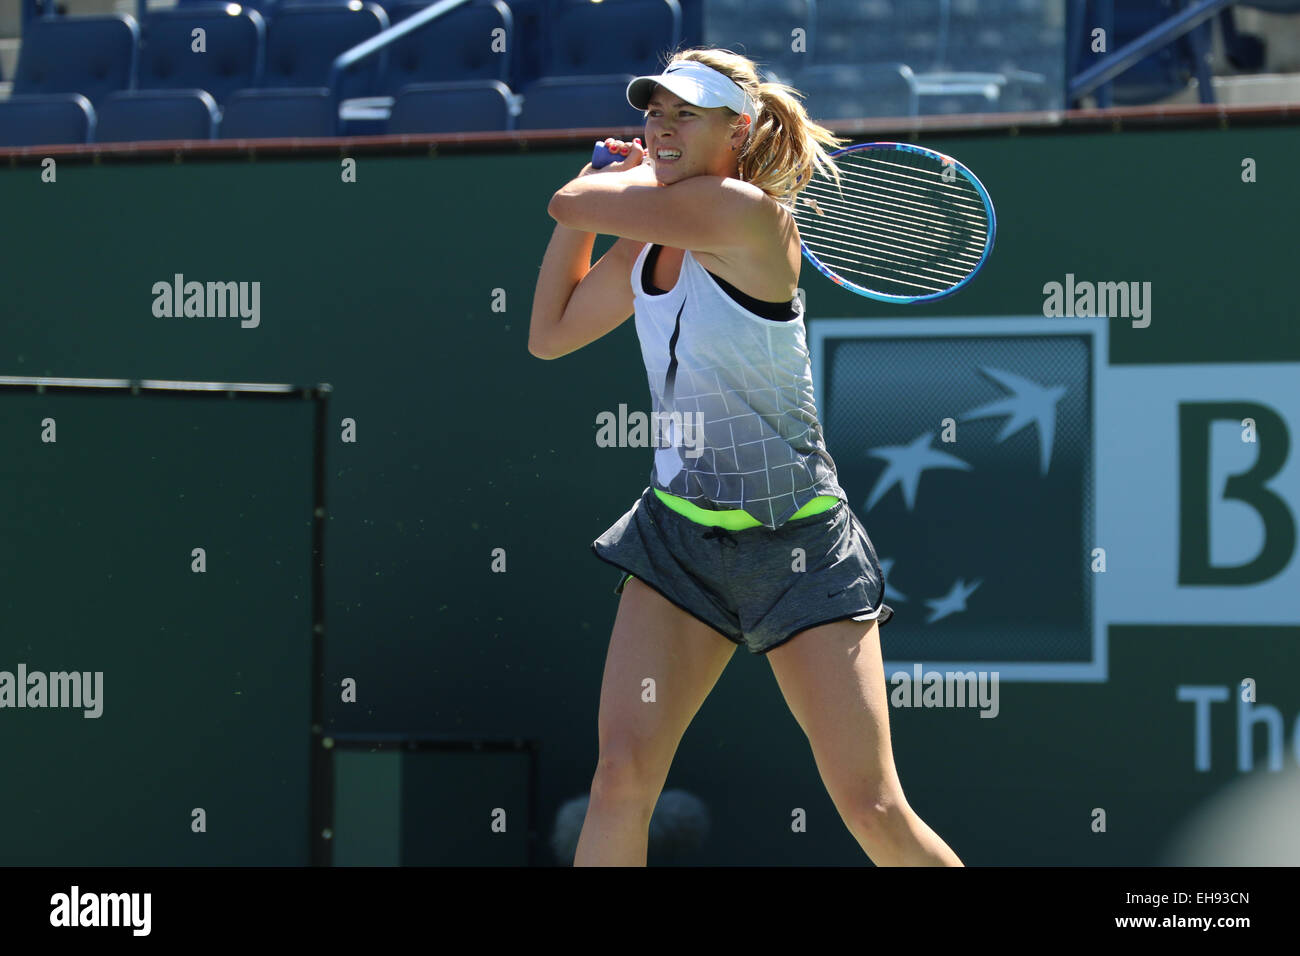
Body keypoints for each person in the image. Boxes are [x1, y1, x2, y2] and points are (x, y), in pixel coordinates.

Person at [529, 47, 962, 867]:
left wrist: (593, 192)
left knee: (871, 806)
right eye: (653, 111)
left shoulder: (742, 214)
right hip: (676, 542)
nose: (659, 126)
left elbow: (566, 199)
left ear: (740, 130)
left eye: (683, 114)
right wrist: (594, 213)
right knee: (620, 779)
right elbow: (549, 335)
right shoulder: (650, 232)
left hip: (797, 547)